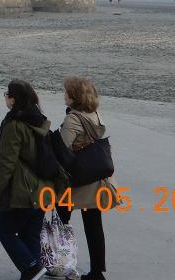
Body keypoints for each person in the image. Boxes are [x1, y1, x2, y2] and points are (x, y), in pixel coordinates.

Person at [0, 79, 51, 280]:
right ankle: (32, 273)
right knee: (30, 235)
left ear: (14, 99)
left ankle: (31, 268)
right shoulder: (40, 120)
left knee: (3, 229)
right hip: (42, 188)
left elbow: (6, 161)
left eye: (7, 94)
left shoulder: (14, 124)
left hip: (22, 190)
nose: (5, 98)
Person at [59, 77, 116, 280]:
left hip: (79, 180)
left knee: (61, 218)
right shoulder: (94, 113)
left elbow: (63, 149)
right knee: (94, 225)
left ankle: (60, 262)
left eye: (66, 92)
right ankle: (97, 272)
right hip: (97, 178)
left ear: (74, 97)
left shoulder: (73, 118)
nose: (63, 95)